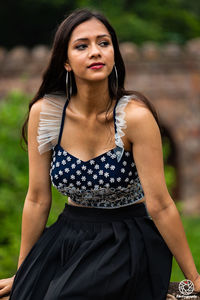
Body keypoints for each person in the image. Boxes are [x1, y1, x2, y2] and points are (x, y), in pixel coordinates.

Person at [0, 7, 200, 300]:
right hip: (67, 236)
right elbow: (37, 198)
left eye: (103, 43)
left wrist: (193, 278)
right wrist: (25, 273)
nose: (96, 52)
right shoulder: (46, 114)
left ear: (114, 54)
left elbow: (161, 204)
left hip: (125, 240)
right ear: (65, 61)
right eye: (82, 46)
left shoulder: (134, 117)